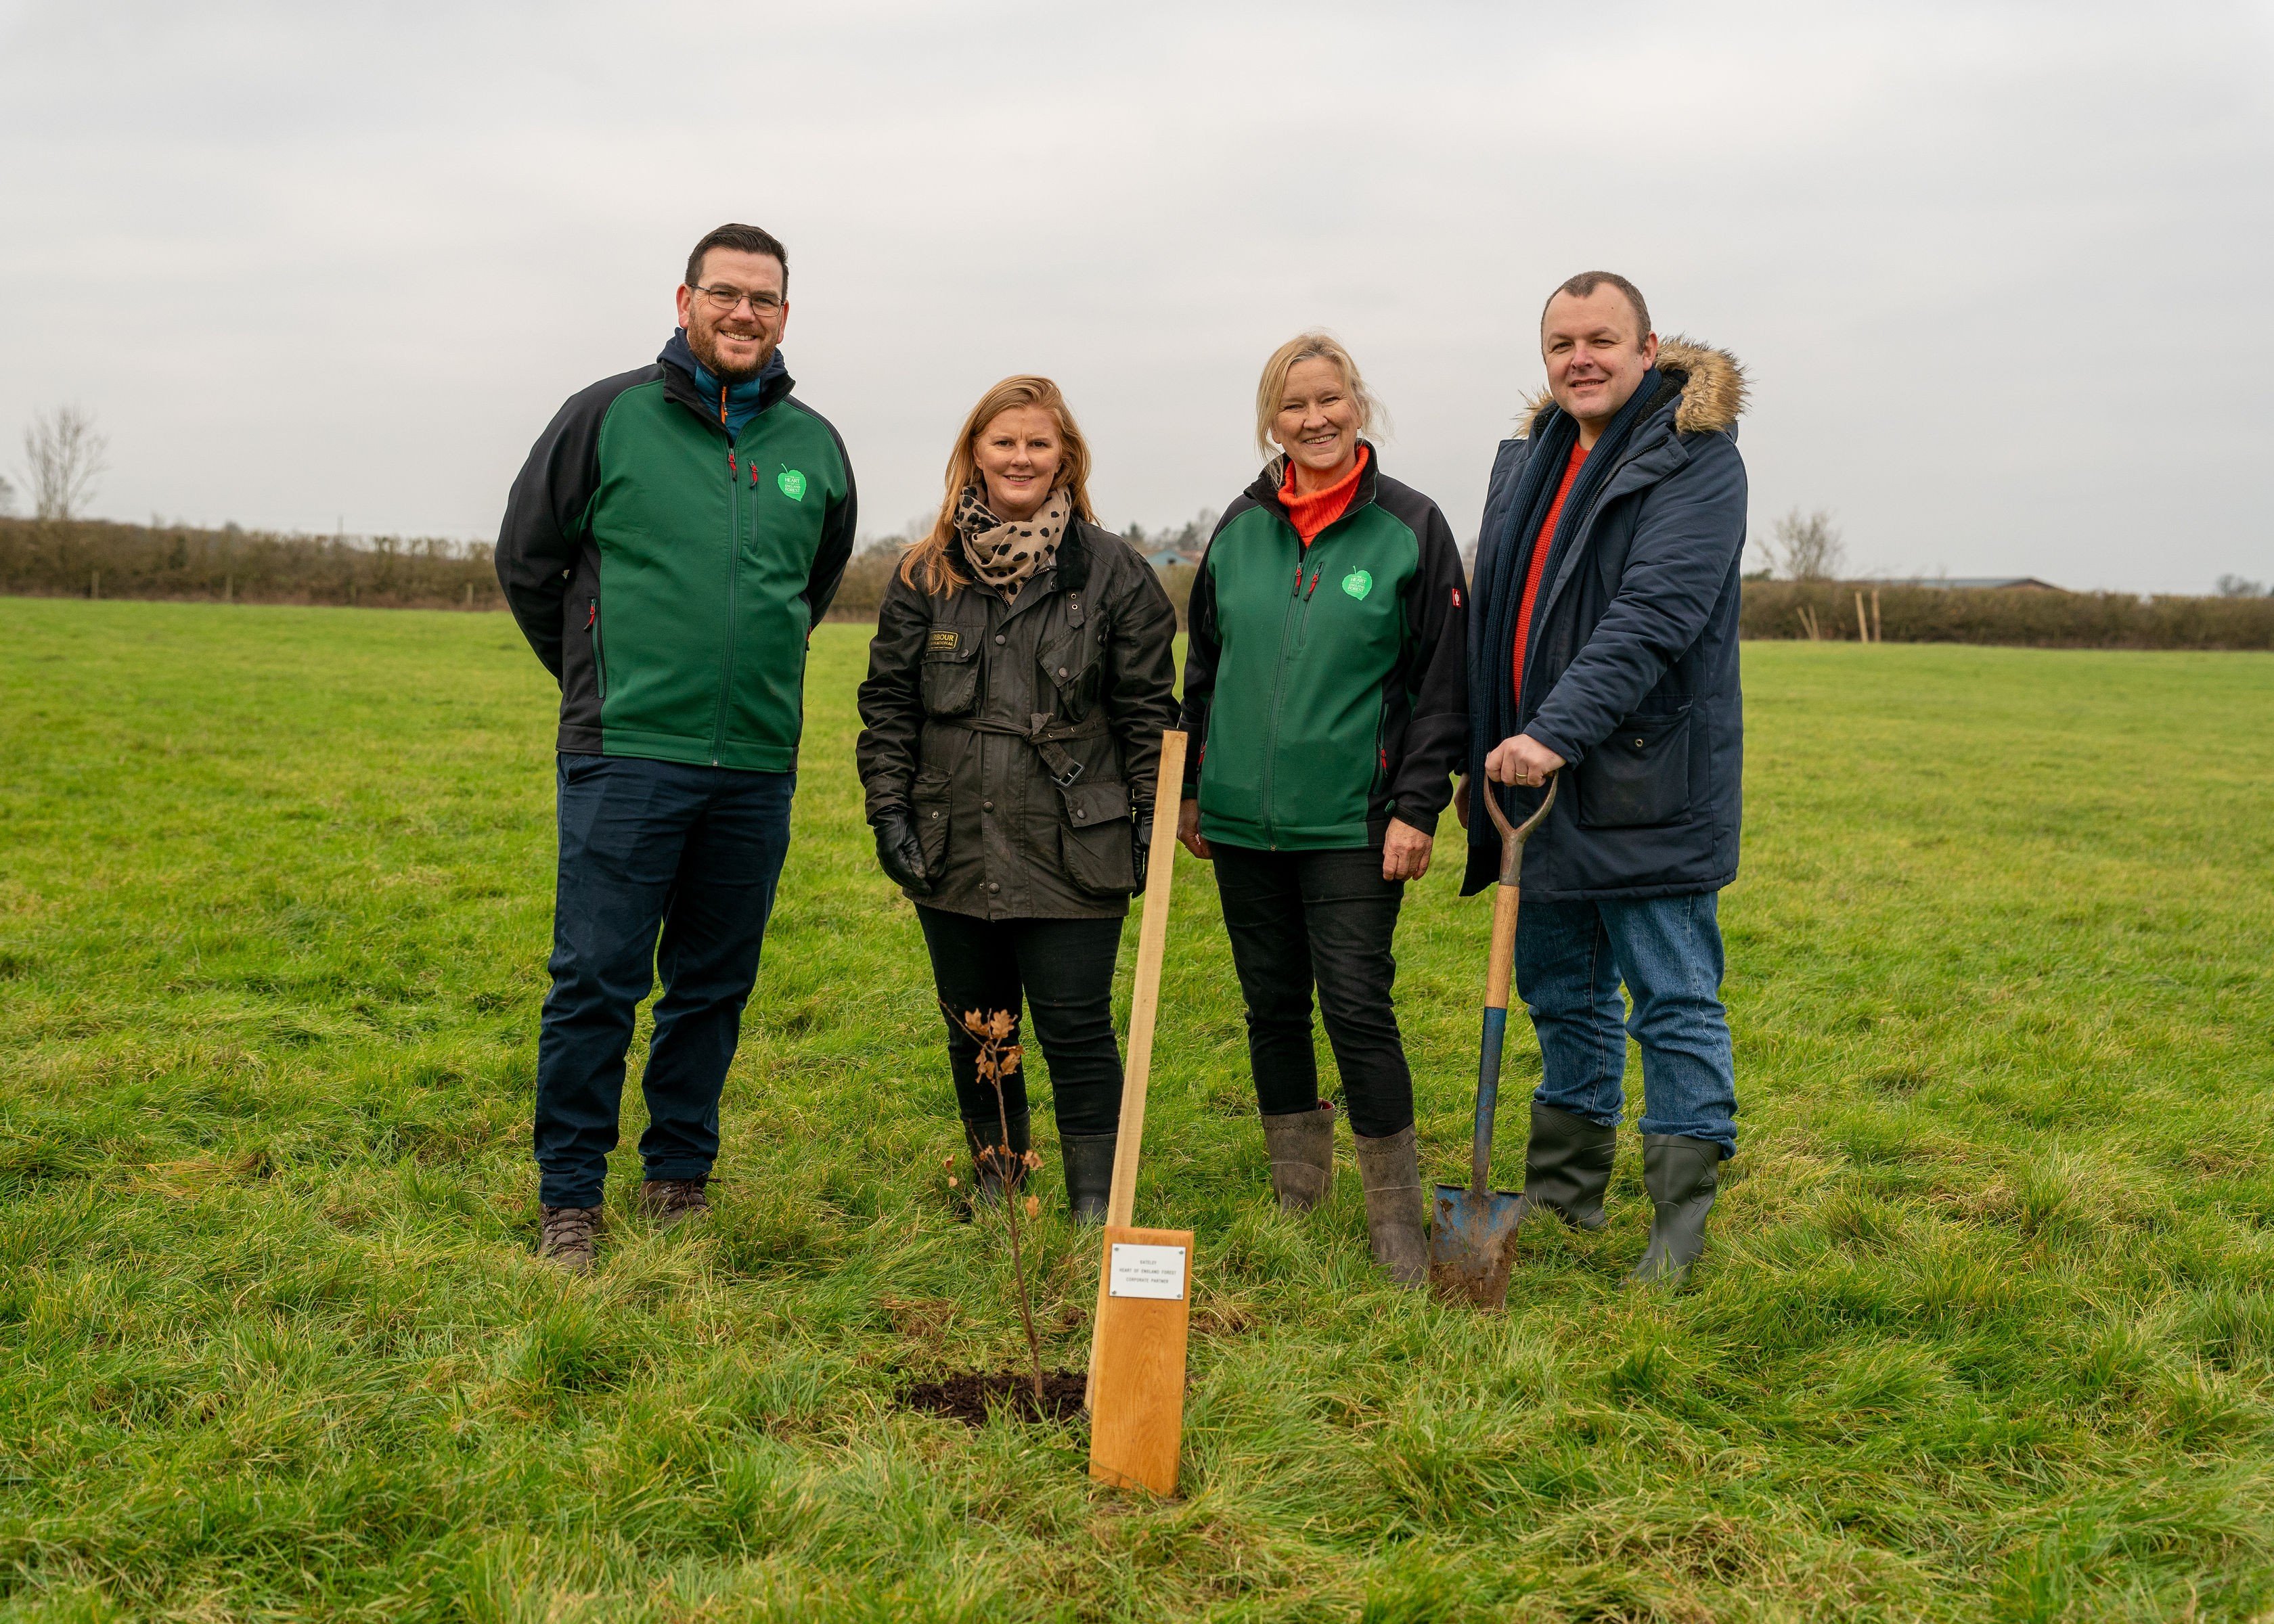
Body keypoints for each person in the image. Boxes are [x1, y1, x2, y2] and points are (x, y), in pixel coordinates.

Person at [496, 223, 856, 1271]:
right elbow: (528, 561)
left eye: (765, 299)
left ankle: (677, 1179)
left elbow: (809, 591)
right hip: (628, 756)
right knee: (597, 978)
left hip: (754, 765)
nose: (744, 313)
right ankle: (570, 1196)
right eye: (726, 294)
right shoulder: (605, 417)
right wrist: (596, 683)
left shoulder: (815, 450)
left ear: (786, 315)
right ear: (685, 299)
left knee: (713, 982)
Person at [1463, 271, 1747, 1284]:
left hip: (1641, 776)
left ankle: (1678, 1224)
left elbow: (1653, 618)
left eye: (1601, 340)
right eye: (1560, 344)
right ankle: (1564, 1192)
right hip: (1532, 786)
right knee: (1560, 992)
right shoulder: (1528, 463)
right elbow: (1497, 613)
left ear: (1646, 346)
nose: (1580, 358)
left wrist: (1555, 731)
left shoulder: (1695, 460)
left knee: (1670, 995)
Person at [1176, 334, 1468, 1286]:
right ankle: (1297, 1190)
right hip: (1240, 823)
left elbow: (1441, 688)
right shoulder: (1239, 527)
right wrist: (1192, 792)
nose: (1315, 419)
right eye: (1295, 405)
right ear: (1273, 419)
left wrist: (1417, 808)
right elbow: (1206, 671)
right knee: (1270, 1008)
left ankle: (1393, 1220)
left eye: (1330, 399)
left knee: (1356, 1006)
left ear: (1359, 405)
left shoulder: (1410, 527)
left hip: (1354, 821)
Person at [856, 377, 1178, 1222]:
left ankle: (1094, 1201)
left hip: (1077, 842)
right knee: (978, 1027)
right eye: (1004, 443)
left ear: (1065, 456)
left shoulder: (1116, 576)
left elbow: (1149, 713)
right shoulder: (925, 574)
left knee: (1076, 1029)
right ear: (975, 454)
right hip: (951, 839)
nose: (1021, 458)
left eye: (1039, 443)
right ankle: (1001, 1185)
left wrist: (1150, 819)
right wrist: (887, 809)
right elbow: (887, 706)